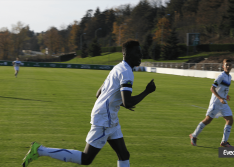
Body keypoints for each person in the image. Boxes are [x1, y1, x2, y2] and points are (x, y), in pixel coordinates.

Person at [22, 40, 156, 167]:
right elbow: (127, 102)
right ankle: (40, 150)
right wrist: (147, 91)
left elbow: (99, 93)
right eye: (137, 52)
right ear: (126, 54)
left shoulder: (118, 68)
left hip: (109, 117)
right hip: (105, 119)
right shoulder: (126, 72)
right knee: (86, 158)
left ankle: (40, 150)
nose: (141, 55)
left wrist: (116, 103)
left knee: (124, 154)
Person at [189, 59, 234, 147]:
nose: (228, 66)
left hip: (223, 102)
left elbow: (223, 89)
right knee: (208, 120)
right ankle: (193, 135)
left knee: (230, 120)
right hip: (216, 102)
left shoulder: (229, 77)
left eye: (229, 65)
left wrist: (225, 96)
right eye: (226, 65)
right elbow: (212, 88)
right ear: (223, 66)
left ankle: (224, 142)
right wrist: (220, 98)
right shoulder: (221, 76)